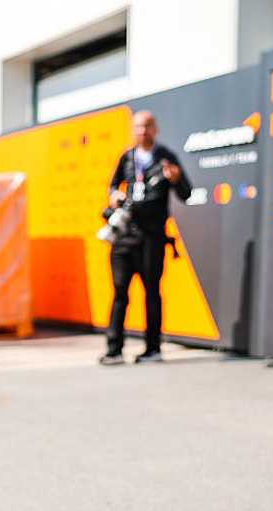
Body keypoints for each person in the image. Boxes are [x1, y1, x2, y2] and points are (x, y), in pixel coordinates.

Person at [100, 110, 192, 365]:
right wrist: (114, 196)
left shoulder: (166, 158)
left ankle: (153, 349)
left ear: (156, 129)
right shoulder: (126, 158)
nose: (143, 131)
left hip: (152, 238)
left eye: (148, 126)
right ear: (133, 129)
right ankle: (114, 350)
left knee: (152, 292)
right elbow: (112, 186)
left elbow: (186, 193)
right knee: (120, 293)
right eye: (139, 126)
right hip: (124, 237)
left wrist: (177, 178)